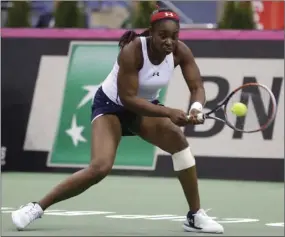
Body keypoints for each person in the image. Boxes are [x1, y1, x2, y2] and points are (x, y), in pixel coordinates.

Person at [11, 8, 224, 234]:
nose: (169, 41)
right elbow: (128, 99)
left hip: (143, 108)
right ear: (151, 32)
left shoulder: (181, 52)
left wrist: (197, 107)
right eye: (163, 35)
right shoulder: (133, 52)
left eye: (174, 36)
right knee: (100, 168)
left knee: (180, 145)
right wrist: (168, 112)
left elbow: (197, 87)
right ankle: (36, 207)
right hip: (111, 106)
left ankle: (194, 216)